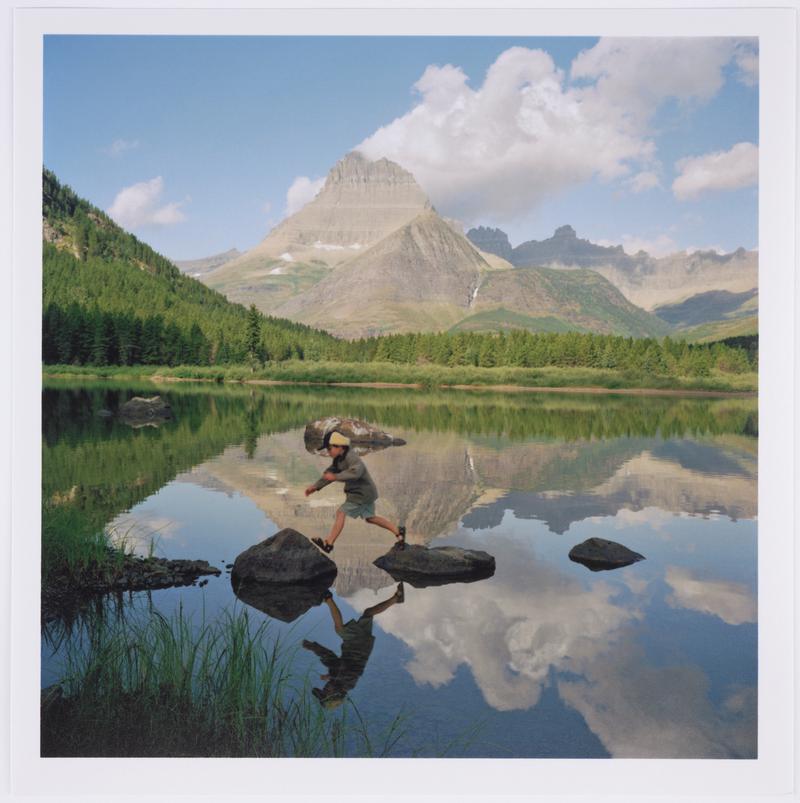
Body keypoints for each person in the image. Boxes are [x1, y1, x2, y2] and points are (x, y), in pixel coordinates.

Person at [302, 583, 404, 709]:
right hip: (358, 645)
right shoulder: (348, 684)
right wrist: (331, 675)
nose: (325, 687)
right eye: (326, 692)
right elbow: (346, 668)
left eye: (323, 690)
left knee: (368, 613)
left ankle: (397, 598)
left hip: (361, 644)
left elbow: (329, 657)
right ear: (336, 694)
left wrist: (313, 647)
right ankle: (328, 598)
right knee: (340, 629)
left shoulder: (336, 679)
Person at [304, 430, 405, 553]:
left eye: (329, 449)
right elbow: (329, 475)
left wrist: (336, 477)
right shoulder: (338, 459)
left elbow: (356, 472)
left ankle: (329, 543)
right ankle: (398, 532)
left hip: (361, 494)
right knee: (370, 518)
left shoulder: (351, 457)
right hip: (366, 493)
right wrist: (315, 487)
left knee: (341, 512)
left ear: (339, 446)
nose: (328, 452)